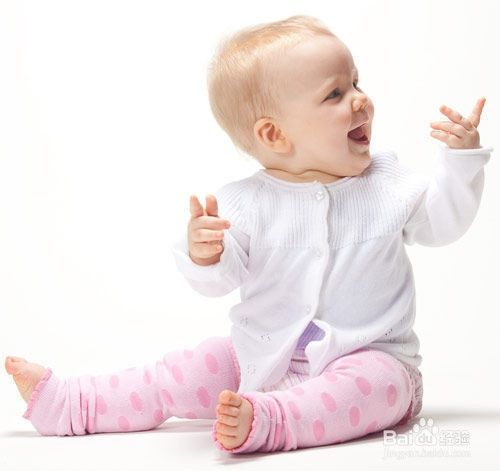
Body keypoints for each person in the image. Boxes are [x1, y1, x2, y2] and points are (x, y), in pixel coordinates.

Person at [5, 15, 493, 454]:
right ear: (274, 135)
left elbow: (443, 222)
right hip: (263, 356)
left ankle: (272, 421)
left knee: (370, 388)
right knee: (189, 370)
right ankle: (73, 402)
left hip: (372, 360)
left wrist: (461, 162)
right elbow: (219, 281)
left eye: (356, 82)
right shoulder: (244, 203)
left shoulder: (386, 183)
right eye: (335, 94)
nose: (360, 99)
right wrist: (205, 254)